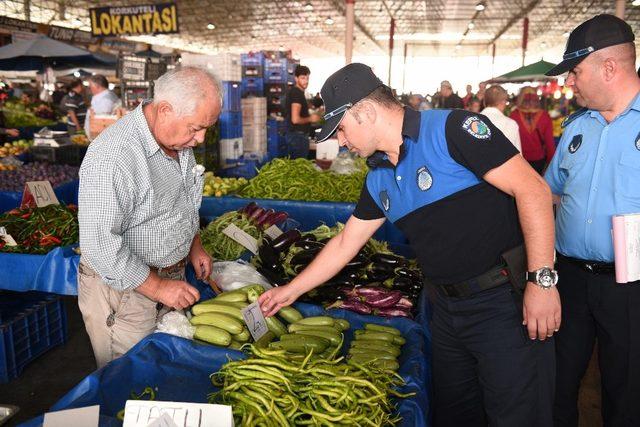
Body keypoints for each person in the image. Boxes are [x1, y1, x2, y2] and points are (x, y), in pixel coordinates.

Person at [259, 63, 560, 427]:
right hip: (445, 312)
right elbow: (344, 243)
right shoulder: (378, 176)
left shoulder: (453, 129)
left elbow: (533, 189)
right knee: (457, 414)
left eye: (340, 129)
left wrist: (542, 282)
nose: (340, 141)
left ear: (365, 112)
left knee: (517, 414)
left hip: (501, 305)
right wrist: (290, 290)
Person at [77, 67, 220, 368]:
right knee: (131, 380)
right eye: (195, 128)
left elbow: (179, 201)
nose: (201, 138)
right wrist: (157, 287)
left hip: (168, 279)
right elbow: (100, 246)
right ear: (165, 109)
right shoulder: (114, 157)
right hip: (126, 295)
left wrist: (194, 245)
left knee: (164, 373)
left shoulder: (175, 140)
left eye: (206, 128)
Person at [544, 14, 640, 427]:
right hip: (570, 280)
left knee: (626, 388)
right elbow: (549, 192)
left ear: (609, 68)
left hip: (630, 284)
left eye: (575, 71)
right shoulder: (575, 129)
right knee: (557, 381)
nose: (569, 81)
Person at [510, 87, 556, 174]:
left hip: (520, 160)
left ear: (520, 99)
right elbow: (550, 144)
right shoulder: (545, 116)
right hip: (539, 160)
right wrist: (552, 165)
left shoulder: (513, 116)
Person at [285, 65, 320, 158]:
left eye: (307, 78)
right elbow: (295, 119)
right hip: (297, 137)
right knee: (298, 166)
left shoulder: (298, 92)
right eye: (303, 78)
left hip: (296, 136)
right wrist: (311, 118)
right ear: (296, 78)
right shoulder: (296, 93)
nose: (306, 81)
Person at [481, 85, 522, 152]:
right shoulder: (510, 124)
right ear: (503, 101)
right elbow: (517, 156)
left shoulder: (473, 120)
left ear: (484, 101)